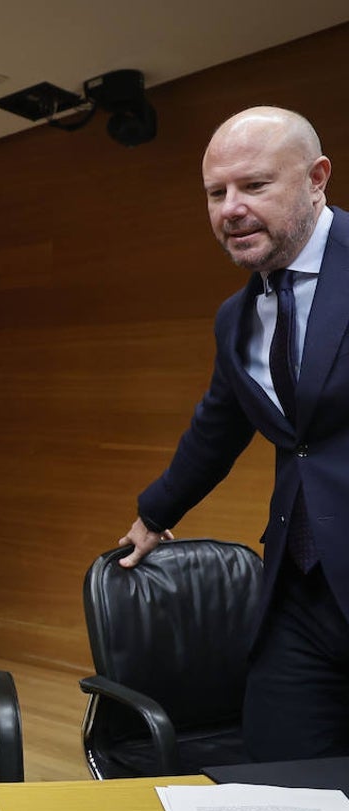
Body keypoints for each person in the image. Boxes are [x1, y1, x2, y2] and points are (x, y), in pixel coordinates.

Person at [119, 106, 349, 760]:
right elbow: (218, 426)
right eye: (216, 193)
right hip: (297, 596)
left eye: (253, 186)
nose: (230, 208)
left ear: (316, 178)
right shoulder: (237, 316)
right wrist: (154, 512)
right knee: (274, 790)